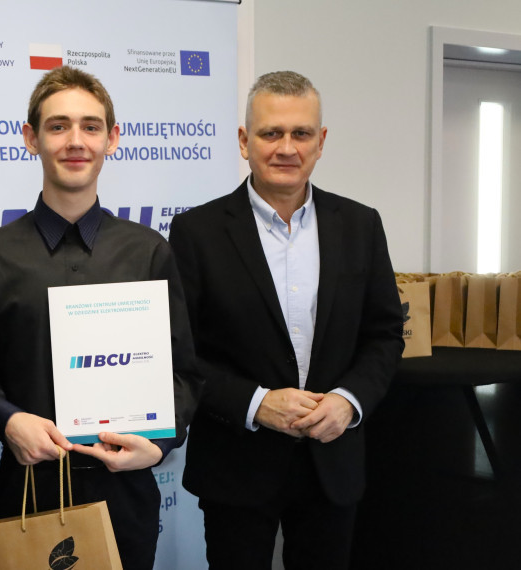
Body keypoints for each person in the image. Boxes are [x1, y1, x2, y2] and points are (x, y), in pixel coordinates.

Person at [0, 66, 201, 570]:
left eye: (91, 127)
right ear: (31, 138)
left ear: (112, 139)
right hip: (30, 491)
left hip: (127, 490)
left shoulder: (148, 252)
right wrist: (8, 420)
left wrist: (159, 445)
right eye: (58, 126)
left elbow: (183, 373)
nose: (75, 141)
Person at [167, 70, 404, 569]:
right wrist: (256, 403)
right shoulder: (196, 232)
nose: (286, 148)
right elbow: (179, 353)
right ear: (244, 141)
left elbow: (384, 335)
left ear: (321, 142)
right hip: (236, 464)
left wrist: (348, 401)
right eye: (271, 133)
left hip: (332, 462)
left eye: (301, 133)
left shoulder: (361, 225)